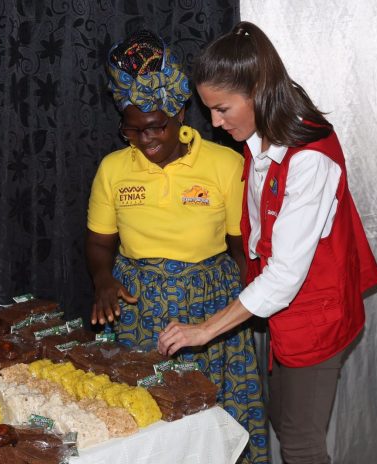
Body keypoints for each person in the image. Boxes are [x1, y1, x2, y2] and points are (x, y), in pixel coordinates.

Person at [158, 22, 377, 464]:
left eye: (222, 109)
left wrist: (205, 330)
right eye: (210, 111)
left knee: (300, 444)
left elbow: (285, 275)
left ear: (258, 89)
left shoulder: (310, 159)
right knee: (284, 418)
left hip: (315, 315)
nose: (216, 123)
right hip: (285, 310)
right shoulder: (260, 129)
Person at [86, 30, 268, 463]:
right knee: (147, 421)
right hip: (138, 311)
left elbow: (242, 250)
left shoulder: (226, 164)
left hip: (209, 306)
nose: (146, 140)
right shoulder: (113, 169)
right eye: (133, 131)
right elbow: (98, 243)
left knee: (215, 418)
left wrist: (245, 305)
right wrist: (102, 281)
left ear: (180, 111)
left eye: (156, 128)